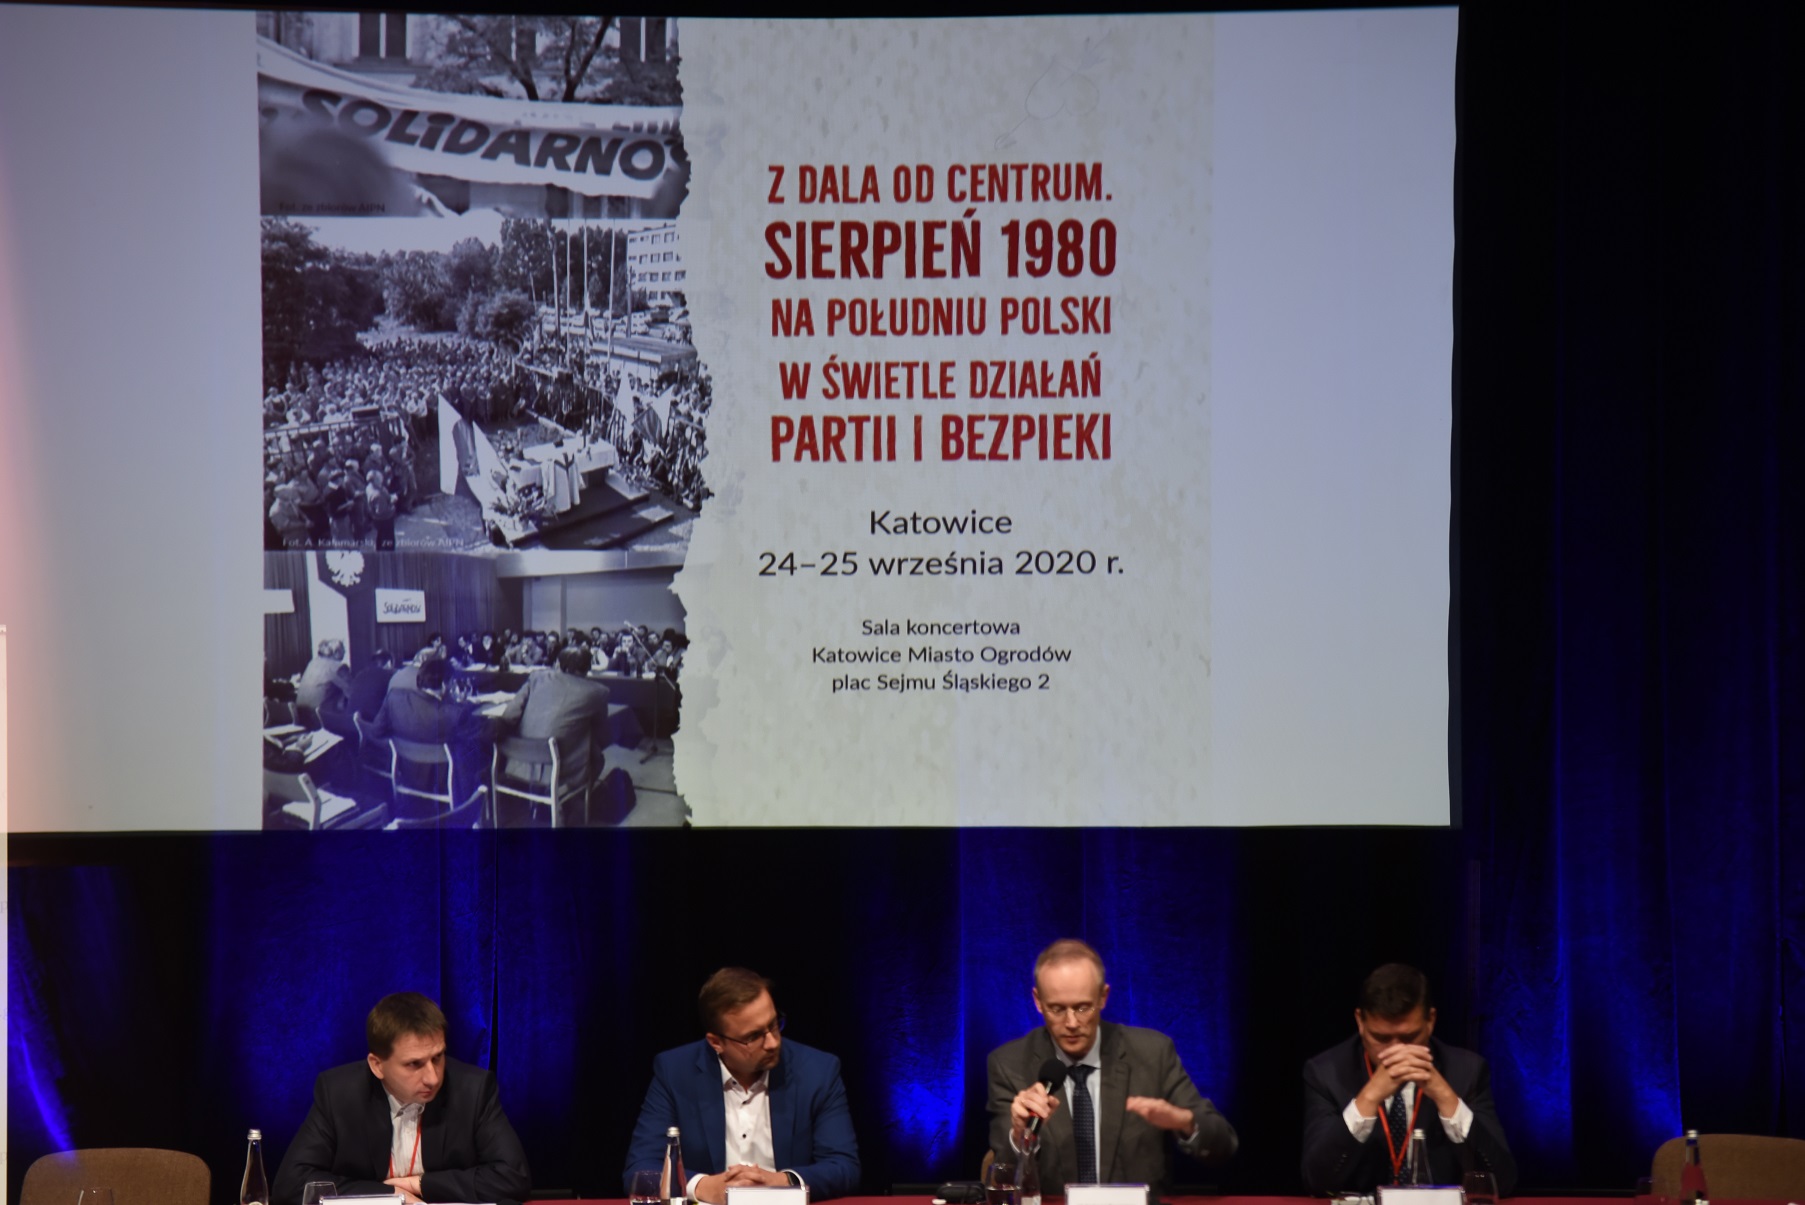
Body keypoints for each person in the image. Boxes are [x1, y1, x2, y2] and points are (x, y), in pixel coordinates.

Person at [989, 940, 1236, 1195]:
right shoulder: (1009, 1064)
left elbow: (1223, 1146)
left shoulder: (1153, 1054)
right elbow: (1002, 1176)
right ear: (1038, 1001)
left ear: (1103, 997)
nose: (1071, 1022)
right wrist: (1019, 1135)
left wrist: (1185, 1122)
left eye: (1082, 1007)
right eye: (1057, 1009)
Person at [624, 967, 860, 1203]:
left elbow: (843, 1166)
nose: (772, 1042)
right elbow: (641, 1168)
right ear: (716, 1042)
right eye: (754, 1036)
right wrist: (705, 1187)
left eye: (774, 1024)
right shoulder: (675, 1072)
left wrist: (782, 1181)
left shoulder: (818, 1071)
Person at [271, 991, 530, 1205]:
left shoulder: (473, 1089)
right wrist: (389, 1194)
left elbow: (513, 1178)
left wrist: (419, 1184)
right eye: (414, 1064)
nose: (432, 1078)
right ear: (377, 1066)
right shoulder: (338, 1094)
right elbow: (291, 1185)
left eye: (437, 1057)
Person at [1300, 964, 1516, 1195]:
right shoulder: (1326, 1074)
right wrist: (1368, 1098)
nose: (1397, 1051)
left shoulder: (1467, 1071)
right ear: (1360, 1022)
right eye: (1381, 1038)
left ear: (1430, 1021)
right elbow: (1316, 1182)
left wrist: (1446, 1097)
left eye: (1409, 1037)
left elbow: (1502, 1183)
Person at [496, 646, 614, 798]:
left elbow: (509, 716)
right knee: (596, 756)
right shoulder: (599, 692)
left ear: (558, 663)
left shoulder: (536, 677)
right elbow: (600, 727)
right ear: (588, 668)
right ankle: (574, 802)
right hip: (560, 766)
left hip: (517, 761)